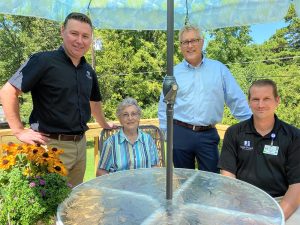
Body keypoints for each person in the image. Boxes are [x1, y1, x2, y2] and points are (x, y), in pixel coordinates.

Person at [0, 12, 115, 187]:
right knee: (48, 204)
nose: (79, 40)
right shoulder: (43, 61)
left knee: (72, 201)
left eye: (85, 36)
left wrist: (104, 124)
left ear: (91, 39)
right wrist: (19, 131)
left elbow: (94, 102)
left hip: (81, 145)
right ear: (62, 31)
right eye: (74, 33)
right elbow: (8, 92)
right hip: (51, 146)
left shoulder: (88, 71)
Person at [158, 24, 251, 172]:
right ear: (180, 46)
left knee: (211, 181)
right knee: (184, 181)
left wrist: (253, 126)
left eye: (194, 40)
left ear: (202, 42)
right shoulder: (173, 73)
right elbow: (165, 106)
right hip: (180, 133)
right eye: (185, 42)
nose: (190, 45)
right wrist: (166, 133)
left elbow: (236, 100)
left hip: (207, 135)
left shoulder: (219, 69)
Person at [218, 79, 300, 221]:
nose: (260, 105)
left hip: (281, 201)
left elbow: (296, 186)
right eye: (256, 99)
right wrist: (243, 211)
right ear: (249, 102)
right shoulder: (234, 133)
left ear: (277, 100)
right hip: (241, 201)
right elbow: (227, 176)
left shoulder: (294, 136)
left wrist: (274, 219)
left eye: (266, 99)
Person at [96, 97, 159, 176]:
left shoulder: (148, 140)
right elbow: (100, 172)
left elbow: (155, 167)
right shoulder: (111, 143)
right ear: (120, 119)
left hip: (145, 186)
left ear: (139, 117)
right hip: (119, 187)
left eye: (133, 114)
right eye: (125, 115)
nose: (130, 118)